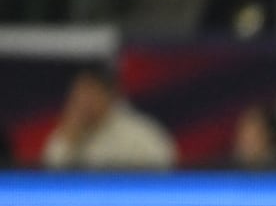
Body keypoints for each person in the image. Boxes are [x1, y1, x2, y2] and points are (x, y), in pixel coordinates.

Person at [43, 64, 176, 171]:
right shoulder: (68, 133)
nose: (85, 101)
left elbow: (165, 172)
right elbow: (50, 174)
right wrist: (70, 143)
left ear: (110, 95)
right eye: (80, 94)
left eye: (91, 93)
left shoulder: (140, 134)